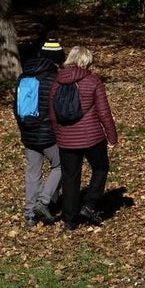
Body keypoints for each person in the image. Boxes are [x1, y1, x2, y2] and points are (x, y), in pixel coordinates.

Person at [49, 45, 118, 230]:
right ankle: (89, 205)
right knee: (101, 168)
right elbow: (104, 113)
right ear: (86, 61)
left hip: (66, 139)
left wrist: (59, 134)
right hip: (92, 137)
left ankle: (70, 221)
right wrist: (112, 137)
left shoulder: (57, 81)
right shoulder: (93, 81)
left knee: (70, 178)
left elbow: (52, 113)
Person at [13, 39, 65, 228]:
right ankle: (43, 202)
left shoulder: (24, 76)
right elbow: (57, 108)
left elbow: (15, 108)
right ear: (57, 58)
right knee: (61, 165)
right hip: (48, 134)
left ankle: (29, 215)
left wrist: (24, 129)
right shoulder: (54, 79)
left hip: (28, 133)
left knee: (33, 172)